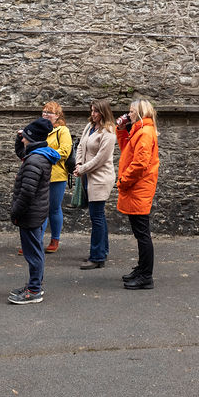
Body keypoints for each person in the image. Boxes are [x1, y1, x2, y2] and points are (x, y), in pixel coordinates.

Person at [9, 117, 60, 304]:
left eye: (25, 136)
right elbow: (22, 152)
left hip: (30, 213)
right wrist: (20, 137)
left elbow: (27, 193)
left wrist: (15, 212)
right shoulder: (40, 155)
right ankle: (34, 284)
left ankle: (34, 291)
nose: (22, 139)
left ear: (32, 138)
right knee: (36, 249)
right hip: (37, 212)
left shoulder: (34, 161)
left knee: (33, 253)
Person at [115, 98, 160, 290]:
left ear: (140, 112)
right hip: (136, 188)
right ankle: (142, 270)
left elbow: (140, 164)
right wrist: (121, 129)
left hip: (138, 188)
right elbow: (126, 149)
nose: (128, 114)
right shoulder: (139, 131)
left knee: (142, 233)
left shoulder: (145, 133)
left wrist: (124, 181)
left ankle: (145, 276)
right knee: (140, 232)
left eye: (131, 112)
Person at [73, 99, 116, 269]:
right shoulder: (90, 126)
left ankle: (97, 256)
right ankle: (102, 251)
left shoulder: (109, 132)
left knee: (96, 217)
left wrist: (82, 169)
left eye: (96, 111)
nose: (93, 114)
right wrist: (77, 165)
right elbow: (81, 146)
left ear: (104, 112)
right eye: (92, 110)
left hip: (100, 178)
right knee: (98, 216)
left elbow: (101, 159)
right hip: (87, 176)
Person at [40, 101, 72, 253]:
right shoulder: (40, 129)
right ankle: (36, 241)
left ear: (58, 115)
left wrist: (45, 154)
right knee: (40, 208)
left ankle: (55, 240)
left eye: (49, 112)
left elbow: (65, 151)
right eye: (44, 112)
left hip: (57, 175)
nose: (45, 115)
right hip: (39, 174)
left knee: (53, 208)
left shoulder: (62, 131)